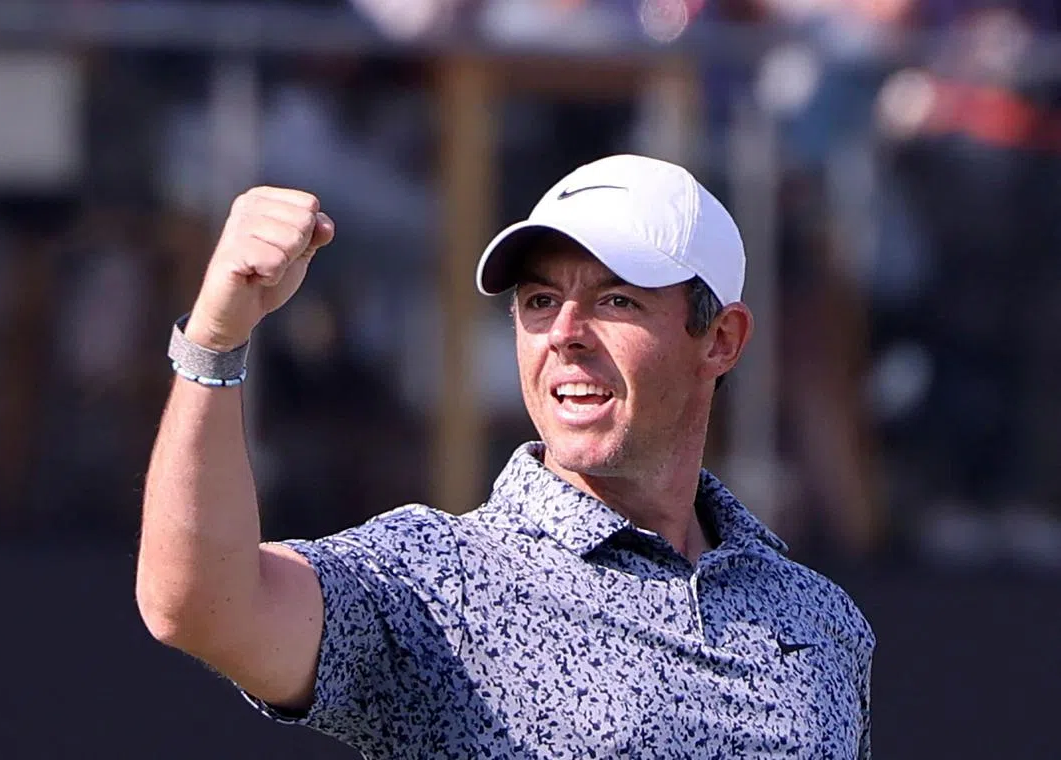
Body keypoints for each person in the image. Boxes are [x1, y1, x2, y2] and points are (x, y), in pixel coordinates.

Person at [137, 154, 875, 758]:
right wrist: (214, 340)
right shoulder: (437, 581)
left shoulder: (820, 620)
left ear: (720, 340)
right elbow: (199, 606)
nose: (567, 333)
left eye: (617, 300)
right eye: (539, 302)